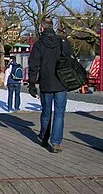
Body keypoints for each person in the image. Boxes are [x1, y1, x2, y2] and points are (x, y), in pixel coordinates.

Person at [28, 17, 72, 153]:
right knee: (59, 114)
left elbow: (33, 64)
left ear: (42, 28)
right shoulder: (63, 42)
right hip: (61, 81)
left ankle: (44, 136)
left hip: (46, 82)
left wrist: (31, 83)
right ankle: (56, 142)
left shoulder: (39, 44)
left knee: (46, 112)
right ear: (52, 27)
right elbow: (69, 59)